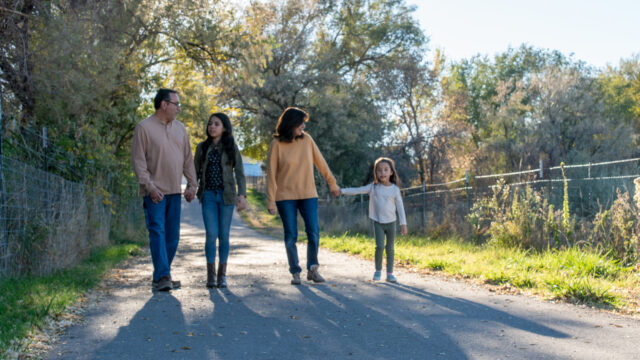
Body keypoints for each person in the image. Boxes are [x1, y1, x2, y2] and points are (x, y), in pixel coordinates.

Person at [131, 88, 197, 291]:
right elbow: (139, 162)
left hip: (174, 192)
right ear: (164, 104)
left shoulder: (180, 129)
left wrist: (192, 184)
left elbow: (187, 159)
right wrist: (149, 187)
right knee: (157, 232)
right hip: (154, 193)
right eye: (176, 104)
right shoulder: (144, 128)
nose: (178, 108)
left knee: (172, 236)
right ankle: (163, 276)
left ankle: (162, 273)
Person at [266, 107, 340, 285]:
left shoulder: (307, 140)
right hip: (285, 197)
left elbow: (321, 163)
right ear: (291, 123)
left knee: (313, 232)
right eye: (301, 123)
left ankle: (313, 269)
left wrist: (332, 183)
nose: (304, 126)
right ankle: (295, 272)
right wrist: (270, 200)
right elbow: (271, 173)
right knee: (291, 235)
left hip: (308, 194)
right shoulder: (277, 144)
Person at [194, 112, 247, 288]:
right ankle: (210, 276)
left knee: (224, 235)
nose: (212, 127)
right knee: (211, 234)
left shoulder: (231, 147)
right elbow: (195, 172)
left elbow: (239, 172)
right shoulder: (202, 148)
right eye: (210, 124)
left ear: (224, 127)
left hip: (227, 196)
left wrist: (242, 196)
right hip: (208, 194)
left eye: (216, 124)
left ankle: (221, 276)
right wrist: (191, 188)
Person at [340, 157, 407, 283]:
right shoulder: (373, 188)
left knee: (390, 248)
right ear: (376, 173)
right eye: (379, 170)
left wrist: (403, 224)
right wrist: (341, 191)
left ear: (391, 172)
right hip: (378, 222)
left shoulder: (395, 190)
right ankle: (378, 270)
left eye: (386, 170)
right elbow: (357, 190)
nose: (382, 173)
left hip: (391, 222)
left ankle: (390, 273)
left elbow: (400, 208)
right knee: (380, 246)